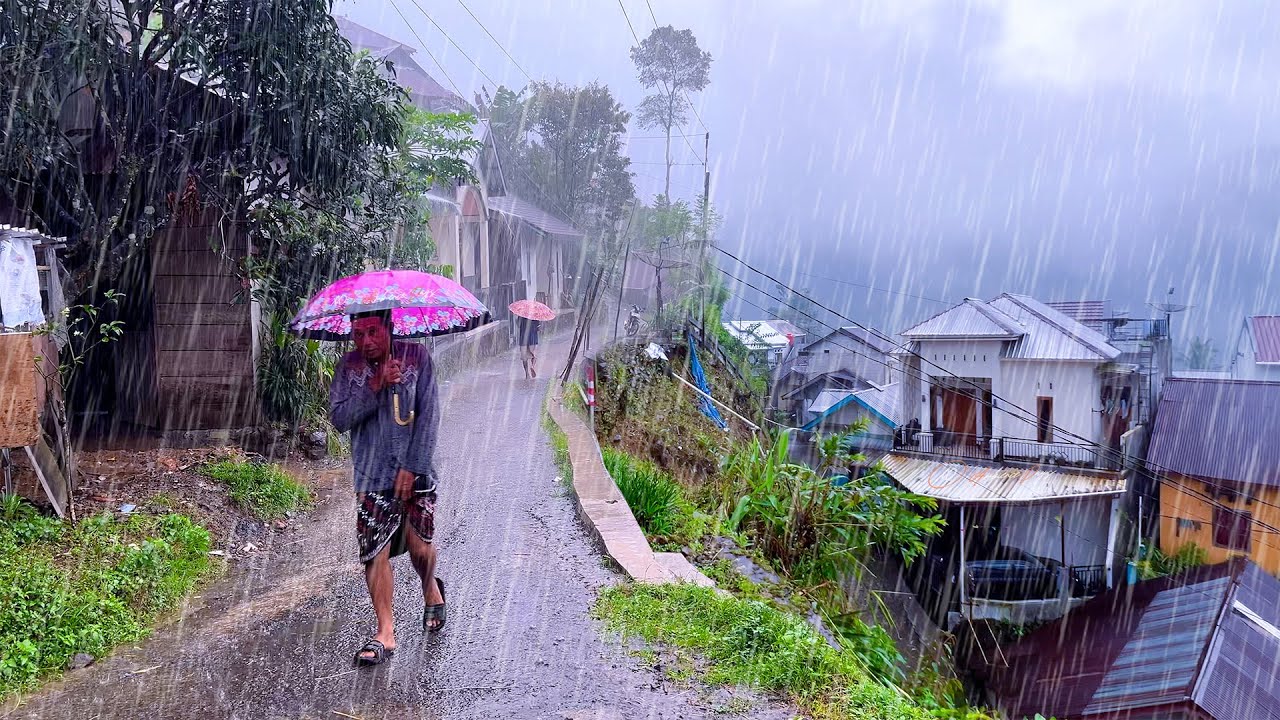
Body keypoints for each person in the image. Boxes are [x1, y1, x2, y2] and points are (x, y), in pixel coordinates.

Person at [329, 310, 446, 667]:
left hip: (417, 473)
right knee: (374, 551)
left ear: (390, 328)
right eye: (358, 333)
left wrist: (413, 466)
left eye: (373, 332)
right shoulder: (348, 369)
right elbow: (339, 419)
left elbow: (429, 416)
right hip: (371, 475)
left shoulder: (417, 358)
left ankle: (431, 589)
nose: (365, 342)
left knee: (419, 548)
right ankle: (385, 631)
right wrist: (374, 386)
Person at [515, 315, 541, 379]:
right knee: (533, 355)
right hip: (533, 338)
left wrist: (517, 320)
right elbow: (538, 328)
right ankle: (532, 366)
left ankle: (527, 374)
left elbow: (518, 325)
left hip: (523, 338)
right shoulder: (535, 314)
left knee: (524, 358)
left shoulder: (521, 314)